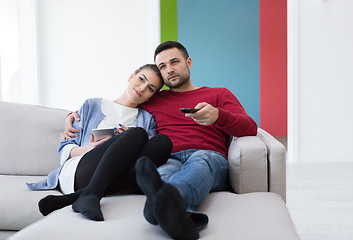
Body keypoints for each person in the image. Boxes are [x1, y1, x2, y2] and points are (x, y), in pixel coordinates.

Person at [65, 41, 258, 239]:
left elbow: (250, 127)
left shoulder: (218, 94)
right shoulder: (154, 99)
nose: (169, 70)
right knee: (161, 173)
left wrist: (218, 116)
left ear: (189, 62)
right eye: (163, 67)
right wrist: (74, 115)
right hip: (169, 157)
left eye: (174, 62)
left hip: (209, 156)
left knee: (201, 161)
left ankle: (164, 204)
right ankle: (173, 212)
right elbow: (124, 107)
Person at [27, 64, 173, 222]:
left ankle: (82, 196)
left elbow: (146, 161)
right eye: (141, 79)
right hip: (80, 170)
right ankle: (89, 193)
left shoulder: (147, 119)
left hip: (116, 176)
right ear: (131, 77)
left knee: (163, 143)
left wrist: (128, 144)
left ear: (150, 96)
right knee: (137, 133)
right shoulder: (92, 105)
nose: (143, 87)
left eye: (150, 88)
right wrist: (86, 149)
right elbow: (64, 148)